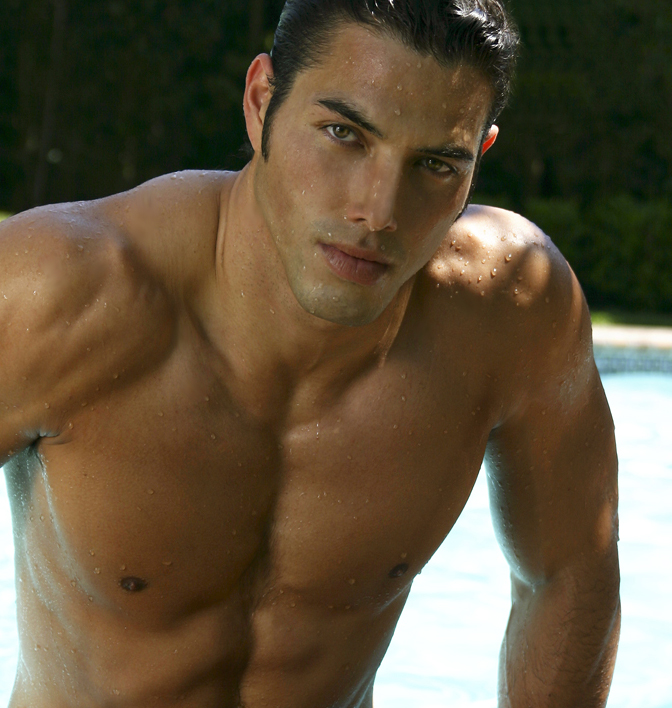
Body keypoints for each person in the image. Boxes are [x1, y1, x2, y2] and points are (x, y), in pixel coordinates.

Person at [0, 0, 620, 705]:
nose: (378, 211)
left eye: (435, 165)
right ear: (261, 102)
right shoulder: (58, 291)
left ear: (479, 159)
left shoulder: (509, 310)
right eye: (344, 134)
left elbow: (569, 570)